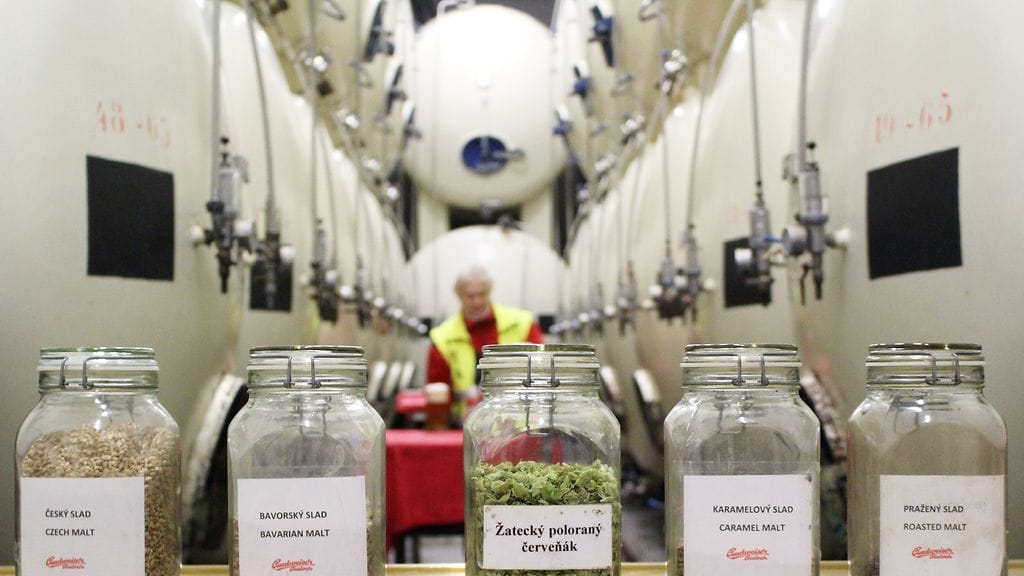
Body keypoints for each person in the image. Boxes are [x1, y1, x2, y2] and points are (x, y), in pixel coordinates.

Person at [427, 265, 543, 421]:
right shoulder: (442, 337)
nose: (477, 301)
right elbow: (438, 388)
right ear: (459, 296)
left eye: (482, 294)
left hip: (518, 422)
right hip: (467, 421)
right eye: (470, 296)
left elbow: (542, 371)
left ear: (490, 291)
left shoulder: (523, 323)